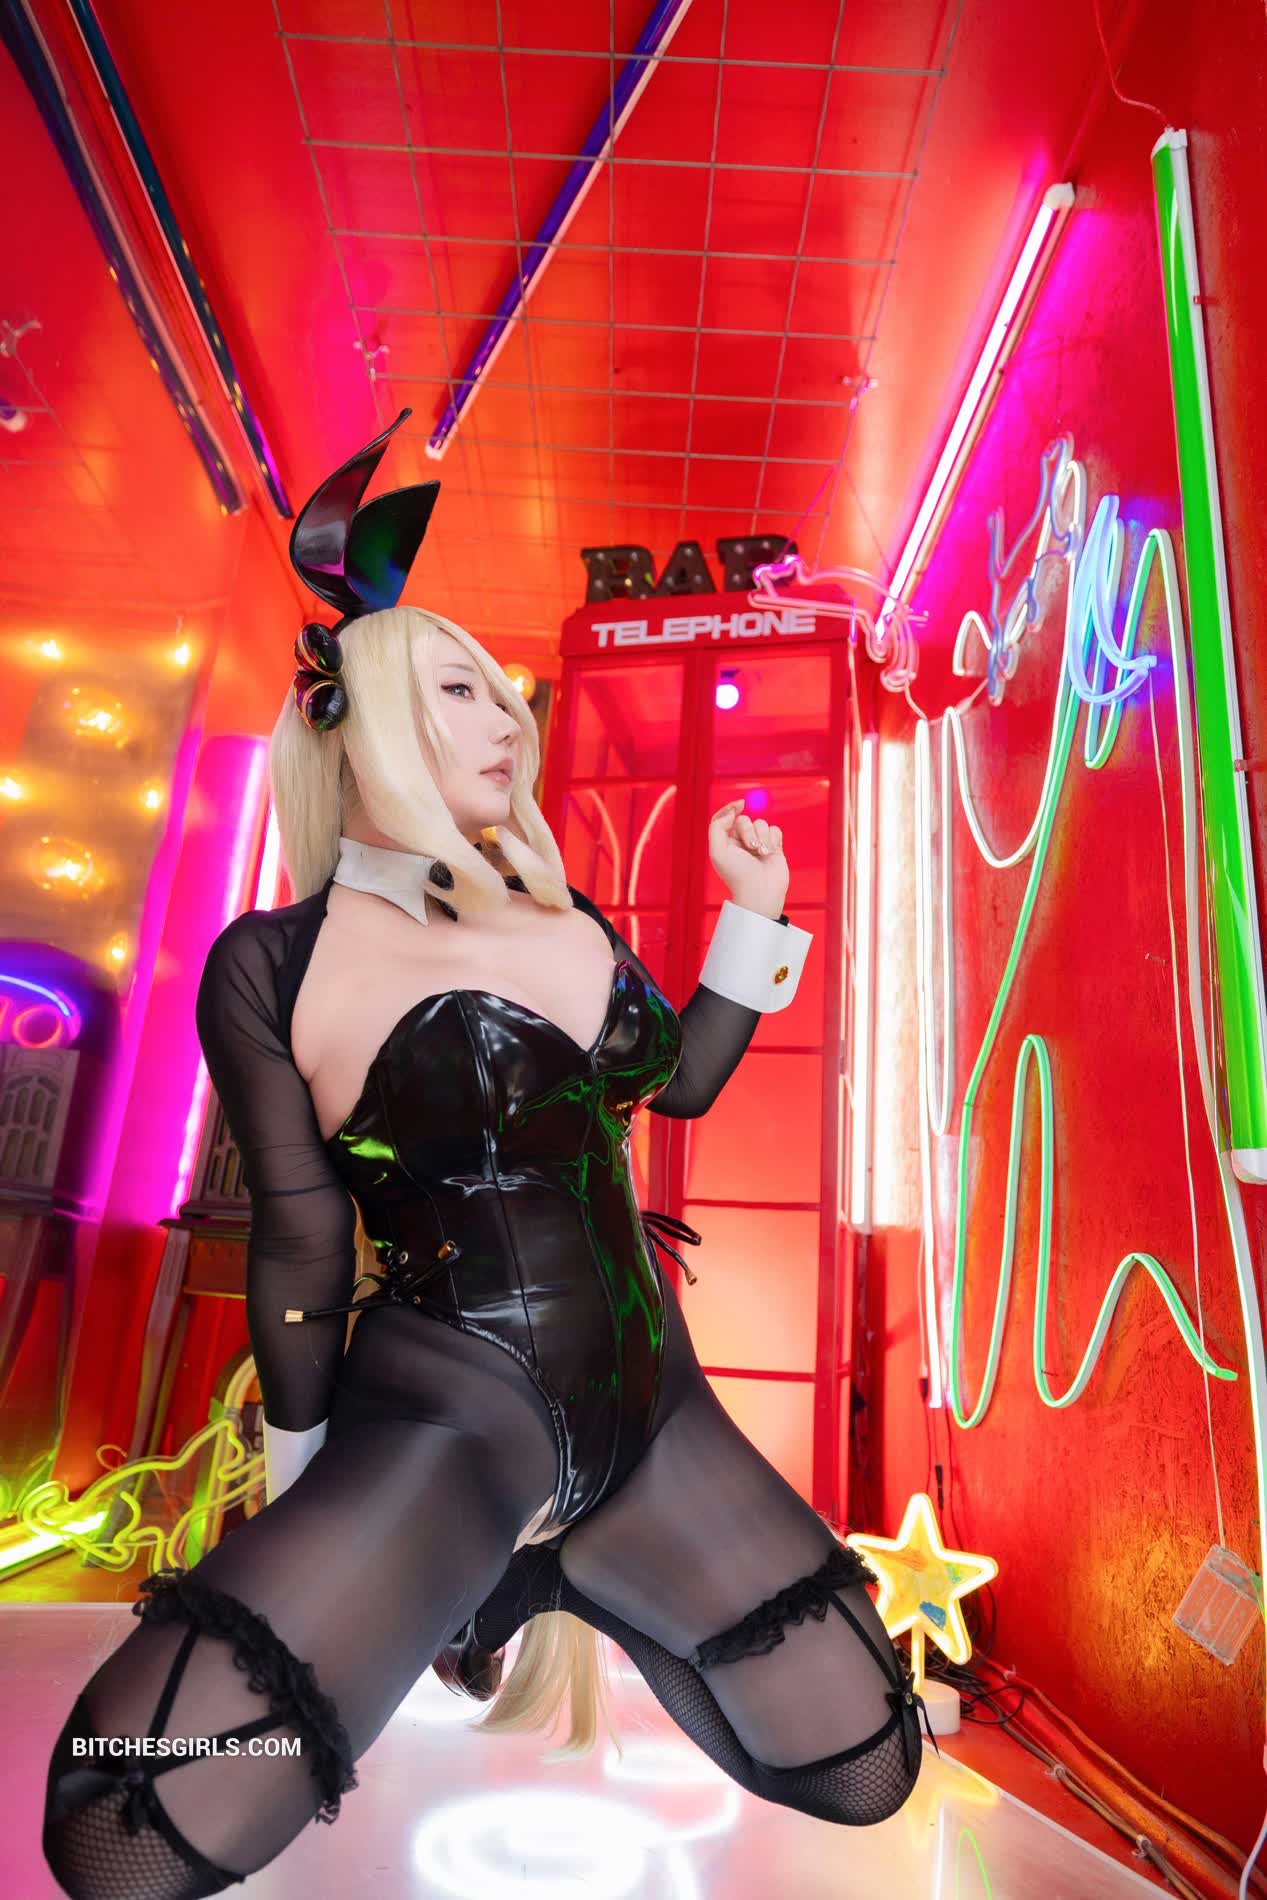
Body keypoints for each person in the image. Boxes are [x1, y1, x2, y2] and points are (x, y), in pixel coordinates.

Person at [42, 415, 926, 1900]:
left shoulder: (570, 922)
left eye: (504, 690)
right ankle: (489, 1556)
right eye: (461, 689)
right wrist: (305, 1475)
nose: (509, 715)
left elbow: (684, 1083)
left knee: (865, 1754)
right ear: (370, 720)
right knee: (128, 1812)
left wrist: (754, 917)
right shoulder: (274, 961)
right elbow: (302, 1240)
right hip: (450, 1420)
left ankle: (568, 1567)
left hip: (652, 1402)